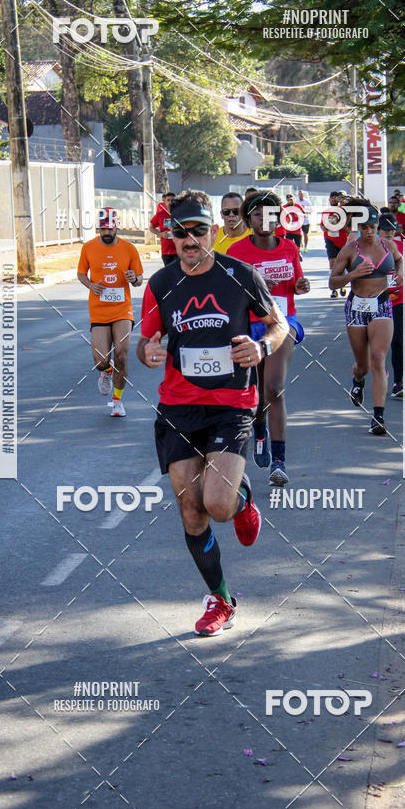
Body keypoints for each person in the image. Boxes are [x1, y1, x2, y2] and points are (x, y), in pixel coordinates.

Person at [137, 190, 288, 636]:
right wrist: (148, 349)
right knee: (191, 511)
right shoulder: (161, 284)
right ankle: (220, 600)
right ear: (171, 234)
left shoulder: (241, 276)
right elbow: (148, 338)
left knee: (218, 506)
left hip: (231, 405)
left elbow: (278, 326)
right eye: (181, 232)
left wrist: (261, 346)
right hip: (179, 407)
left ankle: (242, 502)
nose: (190, 239)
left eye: (199, 230)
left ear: (214, 232)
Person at [228, 190, 310, 485]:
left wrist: (301, 284)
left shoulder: (289, 247)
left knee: (274, 389)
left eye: (270, 214)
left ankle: (279, 461)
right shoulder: (237, 252)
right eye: (258, 214)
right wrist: (257, 287)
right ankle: (259, 427)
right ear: (249, 218)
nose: (264, 219)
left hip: (282, 322)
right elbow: (228, 294)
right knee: (257, 394)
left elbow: (296, 285)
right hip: (248, 326)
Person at [328, 200, 403, 436]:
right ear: (359, 228)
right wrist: (353, 274)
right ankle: (357, 379)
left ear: (378, 226)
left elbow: (400, 260)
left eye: (373, 227)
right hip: (356, 307)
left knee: (379, 358)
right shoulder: (350, 250)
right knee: (364, 365)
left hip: (381, 304)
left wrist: (400, 274)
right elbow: (333, 281)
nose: (369, 232)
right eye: (365, 228)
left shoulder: (388, 245)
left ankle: (378, 416)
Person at [77, 207, 143, 416]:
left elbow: (139, 279)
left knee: (121, 355)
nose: (106, 232)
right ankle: (106, 371)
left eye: (110, 229)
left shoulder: (129, 249)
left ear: (116, 227)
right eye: (102, 229)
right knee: (101, 360)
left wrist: (134, 279)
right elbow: (81, 273)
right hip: (98, 311)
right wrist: (91, 285)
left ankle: (117, 401)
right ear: (98, 228)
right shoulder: (88, 248)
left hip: (122, 310)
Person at [378, 212, 405, 399]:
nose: (389, 234)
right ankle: (380, 371)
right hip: (376, 299)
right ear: (378, 230)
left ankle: (399, 382)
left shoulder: (403, 246)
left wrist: (402, 272)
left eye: (392, 230)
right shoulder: (369, 248)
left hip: (399, 299)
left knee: (398, 341)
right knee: (378, 343)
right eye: (385, 230)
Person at [323, 191, 349, 298]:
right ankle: (334, 289)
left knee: (342, 264)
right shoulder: (326, 212)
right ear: (329, 199)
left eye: (335, 198)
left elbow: (346, 227)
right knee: (332, 263)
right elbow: (323, 227)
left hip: (343, 240)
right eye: (331, 198)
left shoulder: (344, 211)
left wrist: (335, 225)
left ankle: (342, 285)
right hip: (330, 240)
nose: (333, 200)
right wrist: (330, 226)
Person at [150, 191, 177, 266]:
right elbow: (151, 227)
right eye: (168, 200)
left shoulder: (180, 214)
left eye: (172, 200)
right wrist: (160, 234)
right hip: (166, 250)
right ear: (164, 201)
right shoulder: (160, 214)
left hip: (178, 249)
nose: (170, 202)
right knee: (168, 273)